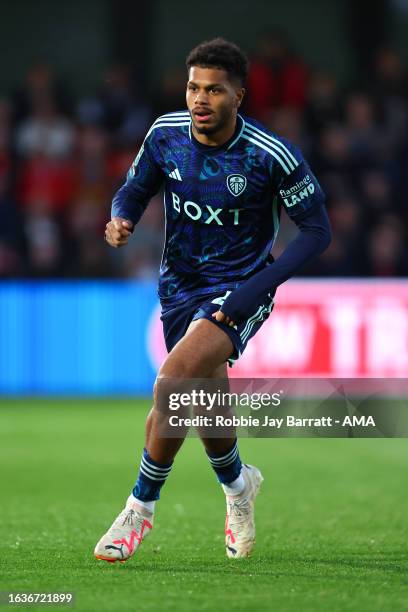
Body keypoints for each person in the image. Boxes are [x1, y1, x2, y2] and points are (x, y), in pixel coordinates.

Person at [94, 38, 331, 563]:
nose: (200, 99)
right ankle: (238, 486)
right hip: (178, 287)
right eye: (193, 88)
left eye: (214, 90)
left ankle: (140, 509)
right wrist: (122, 217)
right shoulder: (165, 134)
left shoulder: (271, 155)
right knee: (203, 400)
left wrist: (254, 291)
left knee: (172, 379)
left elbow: (317, 232)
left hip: (241, 287)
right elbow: (134, 188)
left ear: (238, 96)